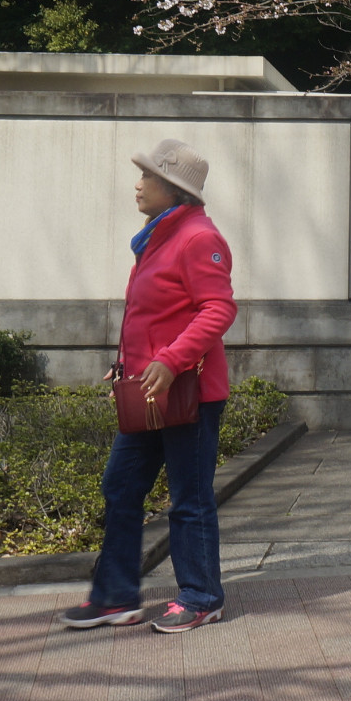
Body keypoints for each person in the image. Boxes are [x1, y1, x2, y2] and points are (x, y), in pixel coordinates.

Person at [60, 139, 237, 634]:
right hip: (148, 393)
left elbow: (219, 310)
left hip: (189, 395)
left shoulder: (198, 237)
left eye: (148, 177)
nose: (138, 184)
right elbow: (154, 314)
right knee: (120, 488)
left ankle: (202, 597)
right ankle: (116, 597)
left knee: (189, 498)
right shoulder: (157, 237)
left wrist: (169, 359)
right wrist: (129, 364)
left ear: (174, 190)